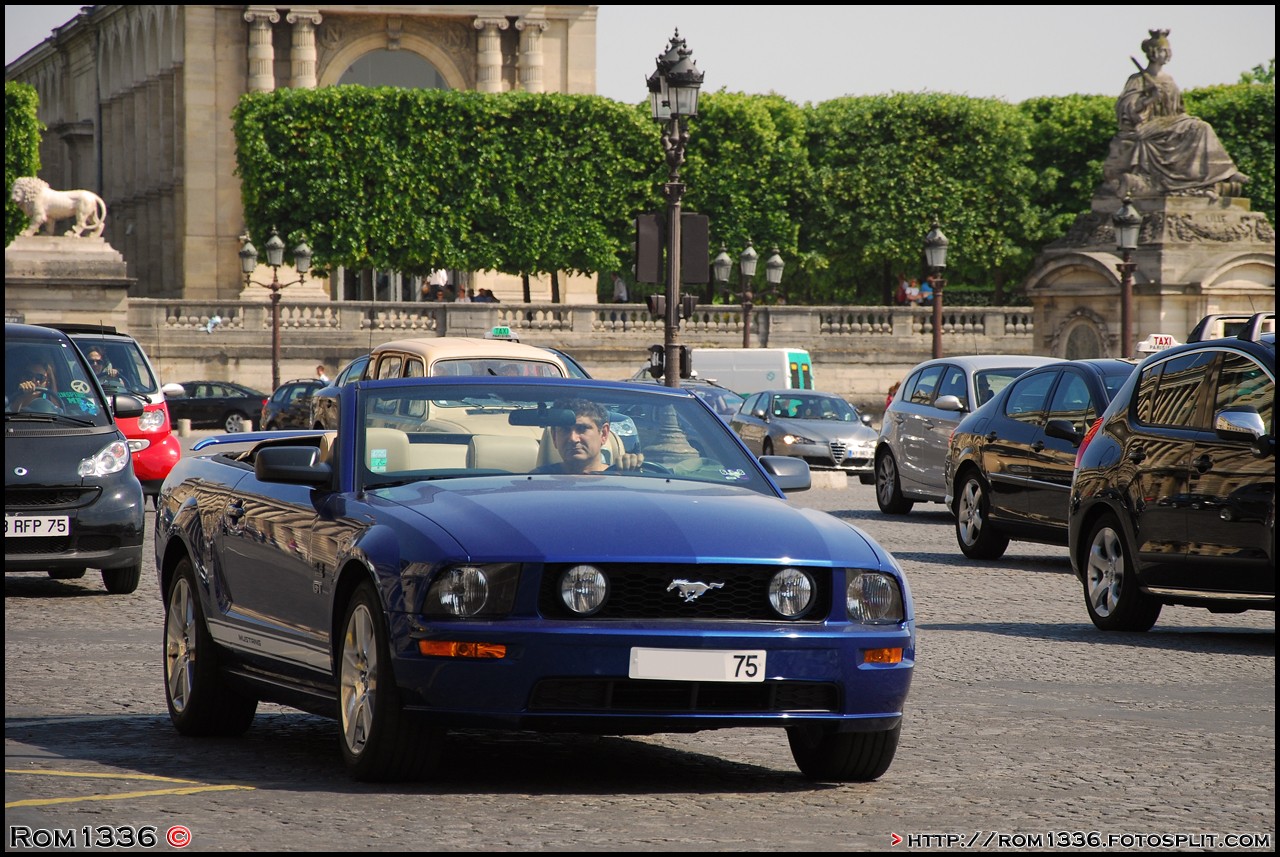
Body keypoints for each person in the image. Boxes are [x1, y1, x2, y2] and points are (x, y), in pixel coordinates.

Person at [1102, 29, 1249, 198]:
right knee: (1198, 127)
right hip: (1147, 126)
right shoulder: (1138, 79)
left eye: (1168, 51)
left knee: (1201, 127)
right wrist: (1149, 99)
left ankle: (1224, 173)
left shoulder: (1169, 79)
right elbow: (1125, 108)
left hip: (1171, 123)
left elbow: (1179, 109)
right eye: (1164, 51)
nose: (1167, 55)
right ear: (1153, 53)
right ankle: (1216, 177)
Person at [535, 399, 642, 474]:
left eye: (581, 429)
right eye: (565, 430)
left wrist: (632, 474)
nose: (573, 438)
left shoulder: (620, 481)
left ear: (603, 434)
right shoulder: (536, 484)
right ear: (554, 437)